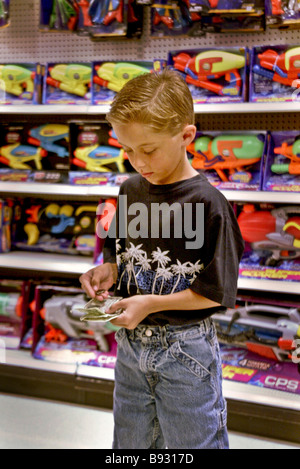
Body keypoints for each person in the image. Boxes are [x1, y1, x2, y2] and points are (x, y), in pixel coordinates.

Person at [79, 68, 245, 449]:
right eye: (128, 150)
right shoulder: (130, 189)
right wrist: (107, 272)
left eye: (149, 149)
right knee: (131, 445)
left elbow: (217, 292)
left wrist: (151, 303)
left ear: (186, 135)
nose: (138, 161)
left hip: (186, 353)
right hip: (130, 349)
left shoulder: (209, 205)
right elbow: (120, 255)